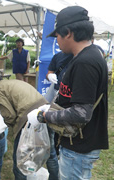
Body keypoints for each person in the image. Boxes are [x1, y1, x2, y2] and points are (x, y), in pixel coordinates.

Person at [28, 6, 108, 180]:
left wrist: (44, 116)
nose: (56, 40)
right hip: (78, 143)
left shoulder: (85, 62)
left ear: (69, 33)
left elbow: (81, 113)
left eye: (57, 35)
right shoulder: (85, 56)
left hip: (79, 145)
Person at [0, 72, 58, 180]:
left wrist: (2, 125)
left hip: (30, 117)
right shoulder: (13, 82)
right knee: (50, 152)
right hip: (46, 111)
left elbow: (10, 115)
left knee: (20, 157)